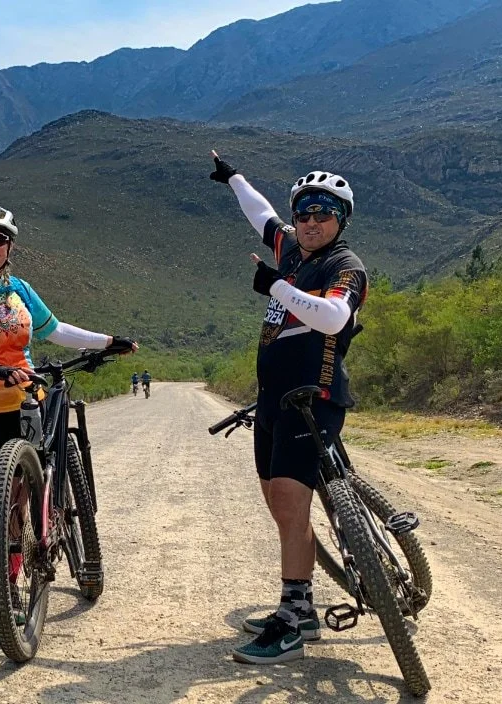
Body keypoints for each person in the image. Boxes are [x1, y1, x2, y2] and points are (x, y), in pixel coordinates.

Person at [0, 204, 136, 633]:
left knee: (20, 503)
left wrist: (107, 341)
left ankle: (12, 589)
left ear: (9, 246)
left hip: (26, 404)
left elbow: (54, 329)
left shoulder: (21, 288)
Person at [209, 152, 368, 664]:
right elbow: (261, 215)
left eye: (324, 213)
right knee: (279, 503)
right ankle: (303, 606)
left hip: (314, 398)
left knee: (288, 498)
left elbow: (332, 317)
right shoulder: (292, 247)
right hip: (271, 399)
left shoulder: (344, 266)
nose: (311, 222)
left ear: (341, 220)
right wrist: (233, 176)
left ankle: (294, 618)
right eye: (304, 213)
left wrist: (276, 284)